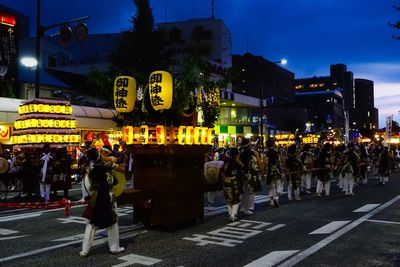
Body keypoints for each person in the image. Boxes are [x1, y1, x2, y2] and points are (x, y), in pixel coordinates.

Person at [80, 145, 126, 257]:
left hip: (96, 199)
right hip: (109, 197)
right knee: (112, 222)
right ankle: (114, 248)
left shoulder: (90, 170)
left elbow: (87, 187)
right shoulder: (108, 166)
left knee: (92, 224)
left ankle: (85, 250)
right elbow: (120, 174)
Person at [239, 138, 262, 214]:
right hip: (252, 174)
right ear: (249, 145)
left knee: (245, 191)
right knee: (251, 191)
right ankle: (248, 207)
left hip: (243, 174)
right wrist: (262, 172)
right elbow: (259, 163)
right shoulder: (254, 153)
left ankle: (243, 207)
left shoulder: (241, 154)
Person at [222, 147, 243, 222]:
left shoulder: (226, 161)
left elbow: (223, 172)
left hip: (226, 181)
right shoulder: (238, 162)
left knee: (228, 199)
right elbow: (240, 173)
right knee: (236, 199)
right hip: (235, 181)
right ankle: (233, 214)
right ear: (237, 154)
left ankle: (231, 214)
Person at [265, 139, 283, 208]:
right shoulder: (276, 151)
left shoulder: (266, 152)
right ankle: (277, 197)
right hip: (276, 170)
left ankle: (272, 202)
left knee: (271, 186)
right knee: (279, 184)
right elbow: (279, 161)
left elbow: (264, 162)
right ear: (273, 144)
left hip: (269, 171)